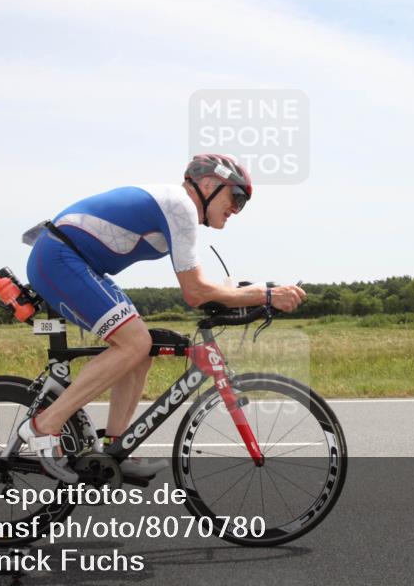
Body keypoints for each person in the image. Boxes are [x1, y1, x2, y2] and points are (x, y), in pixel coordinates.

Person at [17, 154, 306, 482]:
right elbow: (195, 292)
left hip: (73, 260)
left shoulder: (178, 209)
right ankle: (44, 426)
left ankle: (116, 446)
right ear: (209, 185)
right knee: (134, 342)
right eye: (236, 197)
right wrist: (265, 295)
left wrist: (250, 293)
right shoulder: (181, 206)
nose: (236, 209)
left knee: (142, 348)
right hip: (59, 257)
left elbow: (201, 286)